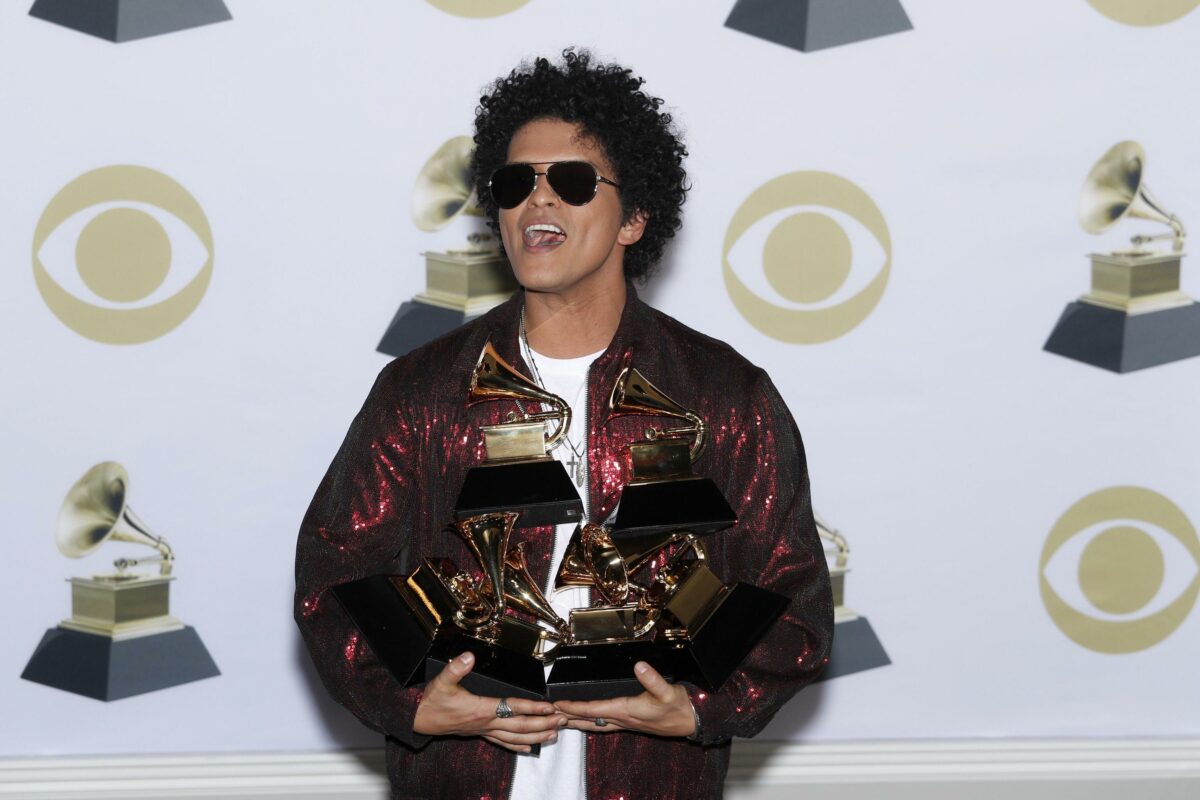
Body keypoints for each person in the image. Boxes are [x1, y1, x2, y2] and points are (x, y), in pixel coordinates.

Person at [295, 49, 833, 800]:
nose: (537, 202)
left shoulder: (725, 396)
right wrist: (412, 703)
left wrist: (703, 708)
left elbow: (794, 601)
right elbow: (332, 575)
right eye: (516, 184)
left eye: (573, 182)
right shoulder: (421, 392)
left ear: (634, 217)